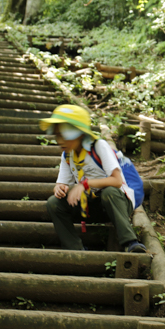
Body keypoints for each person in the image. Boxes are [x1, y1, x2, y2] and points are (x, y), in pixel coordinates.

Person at [40, 104, 147, 253]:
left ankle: (130, 242)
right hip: (89, 206)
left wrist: (85, 184)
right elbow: (61, 183)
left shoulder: (99, 146)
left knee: (109, 192)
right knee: (53, 203)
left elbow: (117, 181)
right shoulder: (67, 155)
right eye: (57, 135)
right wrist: (60, 189)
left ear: (78, 134)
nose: (60, 140)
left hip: (116, 203)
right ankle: (75, 249)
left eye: (64, 134)